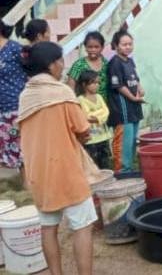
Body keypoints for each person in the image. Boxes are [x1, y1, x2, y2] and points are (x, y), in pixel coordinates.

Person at [17, 41, 95, 275]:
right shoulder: (62, 92)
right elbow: (83, 130)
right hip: (67, 171)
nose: (63, 66)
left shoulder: (25, 95)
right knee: (83, 226)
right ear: (51, 65)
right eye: (61, 61)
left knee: (48, 227)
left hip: (39, 174)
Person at [107, 30, 144, 173]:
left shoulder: (129, 60)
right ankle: (122, 170)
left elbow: (136, 78)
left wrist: (140, 89)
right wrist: (133, 97)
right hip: (123, 108)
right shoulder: (115, 63)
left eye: (130, 44)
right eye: (124, 44)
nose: (128, 47)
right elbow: (119, 86)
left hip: (134, 106)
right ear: (116, 46)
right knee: (125, 140)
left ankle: (129, 168)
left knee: (133, 138)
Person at [0, 20, 26, 169]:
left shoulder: (15, 49)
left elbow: (30, 73)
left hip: (17, 108)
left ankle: (28, 189)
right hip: (1, 112)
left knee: (22, 153)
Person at [76, 69, 112, 169]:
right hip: (91, 139)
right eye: (93, 83)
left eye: (98, 83)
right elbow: (86, 116)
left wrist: (97, 117)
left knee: (106, 164)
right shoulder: (80, 99)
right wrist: (100, 114)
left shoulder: (99, 97)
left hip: (103, 136)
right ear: (84, 84)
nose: (97, 85)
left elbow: (106, 111)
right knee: (94, 165)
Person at [67, 31, 109, 96]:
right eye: (90, 47)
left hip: (104, 104)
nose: (93, 50)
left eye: (96, 47)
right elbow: (70, 87)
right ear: (85, 47)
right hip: (85, 104)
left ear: (102, 47)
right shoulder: (79, 65)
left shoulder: (106, 63)